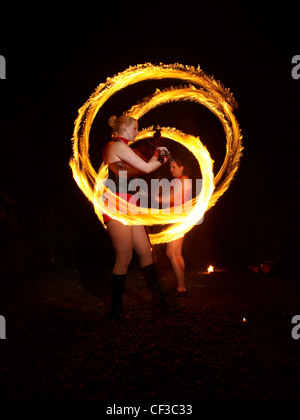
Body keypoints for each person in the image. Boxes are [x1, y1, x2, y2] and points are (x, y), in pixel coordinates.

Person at [102, 114, 170, 319]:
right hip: (117, 206)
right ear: (123, 128)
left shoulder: (124, 149)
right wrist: (163, 158)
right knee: (124, 256)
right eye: (135, 128)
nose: (138, 132)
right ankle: (115, 309)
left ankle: (158, 298)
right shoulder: (116, 146)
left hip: (131, 205)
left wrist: (157, 155)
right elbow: (147, 167)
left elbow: (141, 168)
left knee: (145, 253)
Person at [156, 159, 192, 297]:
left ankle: (182, 287)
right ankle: (182, 286)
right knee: (176, 253)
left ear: (182, 167)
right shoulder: (177, 181)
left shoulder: (184, 180)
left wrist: (155, 197)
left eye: (174, 166)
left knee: (171, 253)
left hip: (178, 219)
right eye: (170, 167)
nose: (171, 169)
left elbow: (171, 198)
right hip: (176, 218)